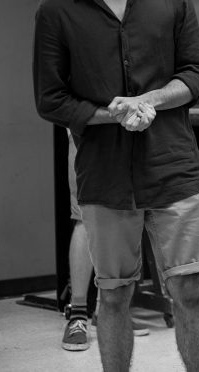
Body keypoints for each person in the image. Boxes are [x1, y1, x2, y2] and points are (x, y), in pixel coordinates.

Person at [33, 0, 199, 372]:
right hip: (105, 176)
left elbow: (198, 75)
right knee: (113, 298)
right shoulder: (56, 10)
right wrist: (110, 113)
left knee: (189, 291)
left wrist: (149, 100)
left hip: (172, 167)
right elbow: (50, 100)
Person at [62, 131, 149, 352]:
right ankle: (78, 314)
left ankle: (107, 311)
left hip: (126, 134)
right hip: (87, 131)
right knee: (84, 216)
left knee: (121, 216)